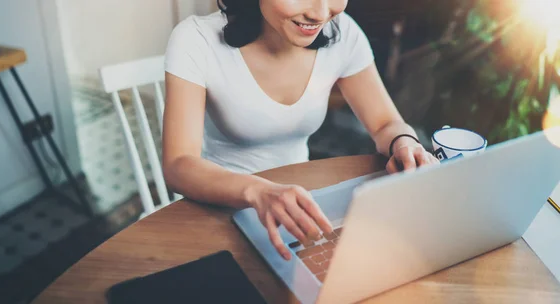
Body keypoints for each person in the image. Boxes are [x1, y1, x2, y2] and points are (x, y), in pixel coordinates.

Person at [162, 0, 439, 260]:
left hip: (296, 209)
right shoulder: (196, 39)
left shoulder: (343, 33)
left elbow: (384, 124)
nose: (320, 13)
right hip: (216, 209)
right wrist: (259, 192)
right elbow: (178, 164)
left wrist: (405, 142)